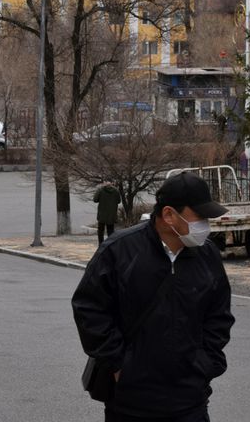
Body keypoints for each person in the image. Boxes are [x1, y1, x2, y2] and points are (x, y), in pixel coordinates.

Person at [72, 171, 235, 422]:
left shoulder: (207, 255)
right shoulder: (119, 251)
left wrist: (205, 363)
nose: (205, 225)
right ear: (169, 215)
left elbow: (219, 314)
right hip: (131, 401)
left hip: (190, 399)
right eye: (199, 217)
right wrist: (119, 364)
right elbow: (89, 310)